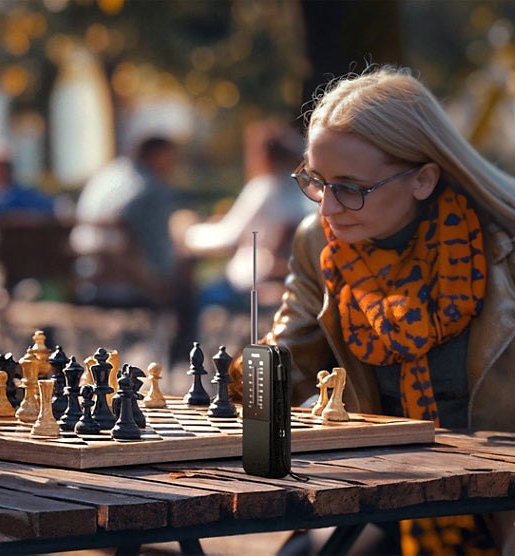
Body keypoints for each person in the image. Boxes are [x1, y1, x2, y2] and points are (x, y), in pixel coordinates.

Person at [234, 65, 515, 555]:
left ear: (424, 179)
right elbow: (291, 361)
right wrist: (245, 380)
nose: (327, 208)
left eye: (350, 187)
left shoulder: (505, 248)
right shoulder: (320, 242)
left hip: (502, 503)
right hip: (394, 488)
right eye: (316, 182)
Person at [183, 118, 311, 309]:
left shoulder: (264, 189)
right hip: (287, 275)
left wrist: (187, 233)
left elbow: (228, 236)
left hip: (254, 278)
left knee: (196, 296)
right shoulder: (303, 191)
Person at [70, 135, 181, 307]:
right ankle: (184, 334)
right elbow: (127, 232)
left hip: (84, 272)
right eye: (171, 159)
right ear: (158, 156)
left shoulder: (110, 174)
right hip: (117, 280)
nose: (173, 166)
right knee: (183, 283)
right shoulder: (147, 186)